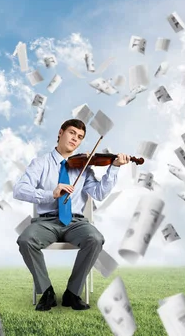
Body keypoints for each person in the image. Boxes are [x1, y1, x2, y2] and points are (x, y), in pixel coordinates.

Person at [13, 119, 130, 311]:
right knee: (26, 240)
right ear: (61, 132)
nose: (75, 139)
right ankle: (47, 291)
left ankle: (72, 293)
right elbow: (19, 190)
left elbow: (99, 194)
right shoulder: (40, 163)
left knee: (95, 239)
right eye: (72, 133)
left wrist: (114, 167)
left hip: (76, 222)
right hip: (47, 222)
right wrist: (50, 193)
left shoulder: (84, 166)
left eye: (80, 137)